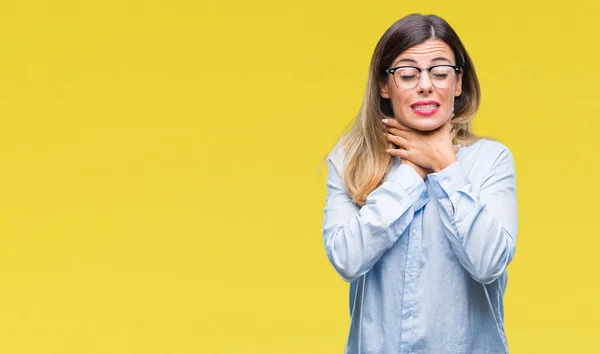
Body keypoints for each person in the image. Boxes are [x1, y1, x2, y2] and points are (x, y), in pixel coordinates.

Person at [321, 14, 518, 354]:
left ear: (458, 83)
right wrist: (411, 171)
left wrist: (444, 164)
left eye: (440, 72)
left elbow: (488, 263)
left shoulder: (491, 160)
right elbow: (347, 260)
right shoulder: (351, 161)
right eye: (408, 74)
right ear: (384, 85)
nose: (425, 85)